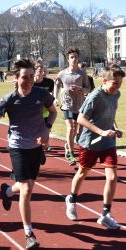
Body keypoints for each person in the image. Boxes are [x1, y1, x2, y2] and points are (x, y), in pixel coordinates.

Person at [0, 58, 57, 249]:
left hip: (36, 146)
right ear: (16, 78)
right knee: (27, 191)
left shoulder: (42, 94)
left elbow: (53, 111)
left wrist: (47, 129)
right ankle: (29, 234)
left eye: (31, 77)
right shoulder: (9, 99)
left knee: (26, 186)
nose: (28, 81)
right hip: (17, 146)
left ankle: (8, 191)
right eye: (24, 77)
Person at [65, 65, 124, 230]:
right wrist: (101, 132)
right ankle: (71, 199)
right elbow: (81, 120)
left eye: (120, 83)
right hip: (90, 142)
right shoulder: (94, 97)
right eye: (115, 83)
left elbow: (109, 115)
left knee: (112, 177)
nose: (117, 87)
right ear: (104, 81)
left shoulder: (116, 94)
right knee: (83, 172)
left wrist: (115, 128)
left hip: (108, 144)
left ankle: (105, 214)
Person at [53, 47, 91, 165]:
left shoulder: (82, 74)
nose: (74, 59)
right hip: (67, 105)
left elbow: (88, 89)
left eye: (76, 57)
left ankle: (68, 145)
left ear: (78, 58)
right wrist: (55, 98)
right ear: (68, 59)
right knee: (70, 128)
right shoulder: (62, 73)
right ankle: (70, 153)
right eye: (71, 57)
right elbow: (57, 85)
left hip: (79, 106)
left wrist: (80, 89)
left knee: (77, 130)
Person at [34, 59, 54, 151]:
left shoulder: (49, 82)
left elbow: (52, 96)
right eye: (37, 67)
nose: (39, 69)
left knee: (45, 134)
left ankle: (44, 147)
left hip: (46, 113)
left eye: (41, 67)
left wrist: (55, 99)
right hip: (33, 114)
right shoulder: (30, 83)